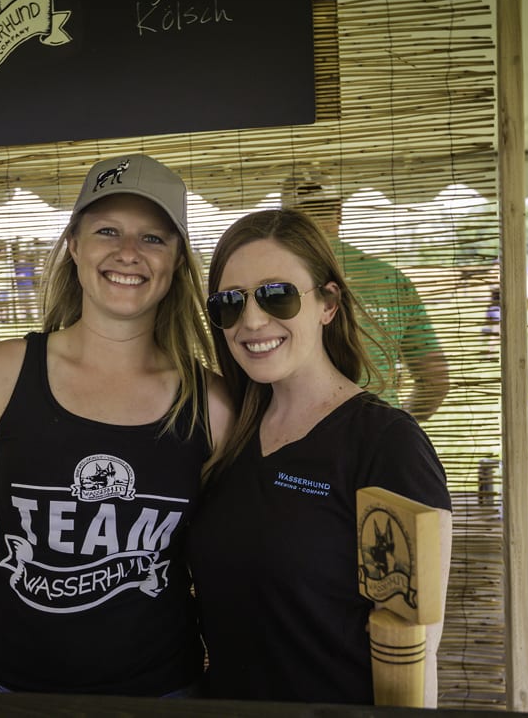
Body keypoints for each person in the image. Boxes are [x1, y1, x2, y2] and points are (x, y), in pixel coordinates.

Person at [0, 154, 230, 696]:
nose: (128, 252)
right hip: (6, 691)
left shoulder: (213, 404)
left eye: (153, 238)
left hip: (159, 697)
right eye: (107, 231)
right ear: (74, 245)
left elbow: (237, 564)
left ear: (178, 261)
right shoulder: (1, 374)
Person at [189, 208, 452, 704]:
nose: (251, 321)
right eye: (230, 302)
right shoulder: (229, 433)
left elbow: (413, 655)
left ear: (328, 303)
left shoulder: (385, 444)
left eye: (277, 295)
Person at [281, 170, 449, 418]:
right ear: (339, 210)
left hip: (299, 428)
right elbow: (436, 379)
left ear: (285, 221)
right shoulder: (392, 280)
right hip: (380, 426)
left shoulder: (274, 284)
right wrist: (400, 425)